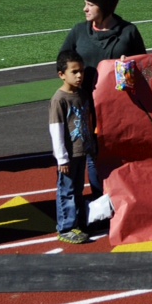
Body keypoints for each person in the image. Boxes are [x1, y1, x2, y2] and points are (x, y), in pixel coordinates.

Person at [49, 51, 97, 244]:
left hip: (82, 150)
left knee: (77, 189)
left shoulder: (82, 94)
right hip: (69, 155)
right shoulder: (59, 99)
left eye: (82, 71)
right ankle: (65, 227)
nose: (79, 76)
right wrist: (62, 158)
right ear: (62, 74)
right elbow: (56, 130)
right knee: (66, 190)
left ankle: (75, 223)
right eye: (74, 72)